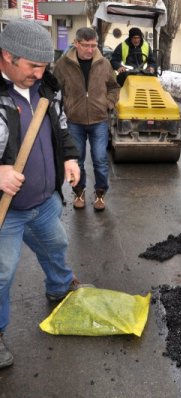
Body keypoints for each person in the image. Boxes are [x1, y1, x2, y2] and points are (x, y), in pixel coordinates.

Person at [0, 19, 93, 370]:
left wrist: (69, 157)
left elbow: (61, 126)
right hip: (5, 211)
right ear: (7, 56)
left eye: (44, 66)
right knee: (1, 274)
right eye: (32, 66)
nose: (40, 73)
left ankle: (59, 287)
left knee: (57, 246)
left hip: (43, 203)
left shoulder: (47, 87)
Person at [54, 27, 120, 211]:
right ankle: (79, 193)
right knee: (77, 160)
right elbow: (54, 90)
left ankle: (100, 194)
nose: (90, 50)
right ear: (76, 44)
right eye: (86, 46)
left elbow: (114, 87)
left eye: (94, 45)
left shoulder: (104, 64)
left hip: (99, 119)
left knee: (100, 159)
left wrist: (108, 103)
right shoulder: (63, 64)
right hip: (74, 121)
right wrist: (63, 109)